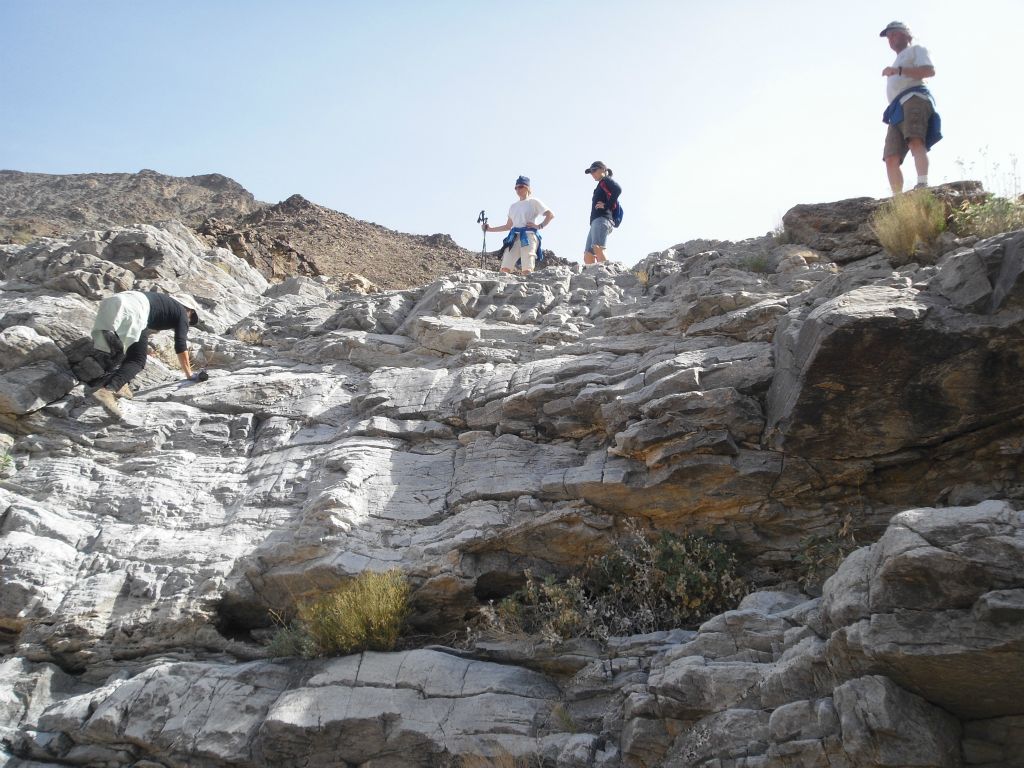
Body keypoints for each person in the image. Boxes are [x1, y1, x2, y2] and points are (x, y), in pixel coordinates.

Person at [89, 291, 202, 417]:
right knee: (138, 360)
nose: (189, 320)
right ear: (189, 310)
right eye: (191, 316)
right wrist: (189, 374)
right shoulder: (182, 312)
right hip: (133, 309)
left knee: (129, 351)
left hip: (113, 301)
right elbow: (181, 344)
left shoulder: (162, 302)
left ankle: (121, 384)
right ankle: (107, 391)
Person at [879, 21, 941, 194]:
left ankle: (922, 184)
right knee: (891, 156)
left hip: (914, 98)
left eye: (894, 34)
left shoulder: (917, 50)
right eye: (888, 36)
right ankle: (897, 199)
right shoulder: (897, 60)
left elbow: (929, 71)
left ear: (907, 34)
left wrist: (898, 71)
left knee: (915, 140)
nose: (891, 38)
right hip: (896, 108)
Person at [483, 175, 554, 274]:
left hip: (528, 236)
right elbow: (508, 226)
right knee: (505, 267)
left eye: (520, 187)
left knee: (527, 268)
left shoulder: (533, 202)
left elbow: (550, 215)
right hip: (514, 236)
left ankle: (528, 288)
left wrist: (539, 226)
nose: (517, 189)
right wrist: (489, 229)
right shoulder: (513, 206)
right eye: (516, 187)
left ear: (527, 187)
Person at [583, 161, 621, 264]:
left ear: (603, 170)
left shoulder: (606, 180)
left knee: (598, 248)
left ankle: (607, 276)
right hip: (596, 222)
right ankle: (591, 278)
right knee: (588, 254)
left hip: (602, 219)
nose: (592, 174)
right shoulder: (600, 185)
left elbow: (617, 189)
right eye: (590, 172)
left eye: (594, 170)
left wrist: (606, 205)